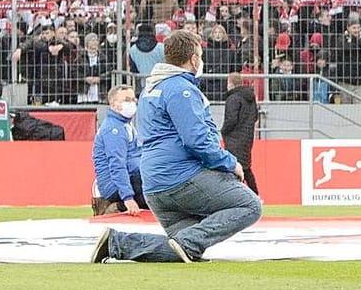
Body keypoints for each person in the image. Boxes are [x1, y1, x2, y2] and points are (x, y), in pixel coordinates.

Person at [91, 31, 261, 264]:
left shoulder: (151, 89)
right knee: (250, 204)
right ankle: (181, 242)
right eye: (200, 56)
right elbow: (197, 141)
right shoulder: (181, 89)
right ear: (193, 59)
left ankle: (118, 243)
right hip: (180, 178)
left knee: (184, 247)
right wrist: (231, 163)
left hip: (154, 185)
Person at [92, 85, 147, 215]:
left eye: (134, 99)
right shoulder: (113, 130)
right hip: (114, 185)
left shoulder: (126, 125)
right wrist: (127, 197)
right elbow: (117, 165)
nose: (132, 103)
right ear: (113, 104)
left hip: (128, 178)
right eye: (127, 100)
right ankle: (118, 206)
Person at [222, 72, 260, 193]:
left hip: (234, 138)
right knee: (246, 167)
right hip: (247, 137)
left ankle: (238, 194)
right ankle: (255, 193)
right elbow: (255, 117)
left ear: (231, 83)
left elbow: (231, 119)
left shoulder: (233, 98)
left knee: (234, 167)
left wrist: (224, 130)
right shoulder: (250, 98)